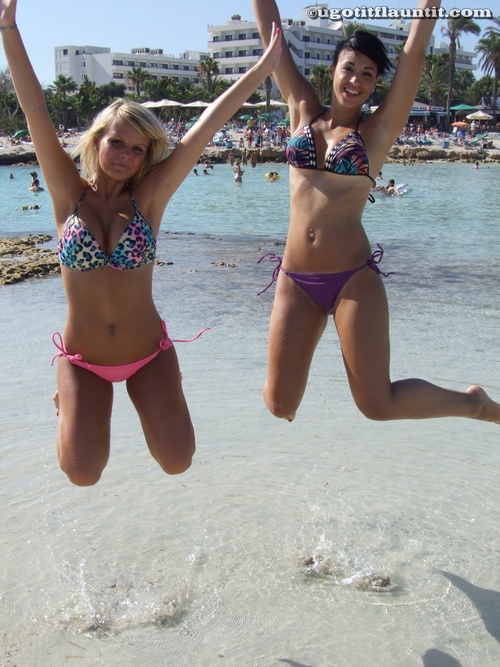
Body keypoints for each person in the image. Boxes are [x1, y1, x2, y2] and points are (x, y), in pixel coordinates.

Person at [0, 0, 282, 486]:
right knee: (81, 473)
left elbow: (206, 127)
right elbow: (35, 108)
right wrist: (7, 27)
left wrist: (260, 70)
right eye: (117, 143)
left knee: (178, 460)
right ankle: (64, 397)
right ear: (96, 141)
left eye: (138, 148)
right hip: (83, 360)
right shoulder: (67, 194)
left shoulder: (149, 198)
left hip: (147, 352)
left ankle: (152, 390)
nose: (127, 155)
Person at [252, 0, 500, 425]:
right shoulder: (301, 109)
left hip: (352, 279)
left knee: (376, 405)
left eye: (368, 74)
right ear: (332, 69)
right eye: (349, 68)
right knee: (280, 405)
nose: (356, 80)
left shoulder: (378, 129)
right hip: (295, 279)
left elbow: (415, 50)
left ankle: (473, 403)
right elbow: (270, 34)